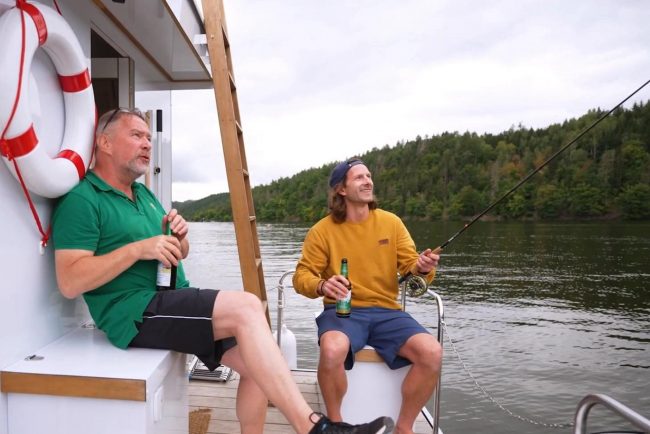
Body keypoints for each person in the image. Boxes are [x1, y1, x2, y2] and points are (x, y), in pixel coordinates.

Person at [51, 109, 394, 434]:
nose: (147, 143)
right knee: (247, 306)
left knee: (259, 363)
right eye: (136, 135)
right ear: (105, 143)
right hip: (133, 313)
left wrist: (180, 240)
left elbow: (172, 252)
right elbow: (70, 281)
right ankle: (315, 427)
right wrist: (137, 249)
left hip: (169, 299)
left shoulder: (143, 195)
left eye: (148, 138)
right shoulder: (83, 199)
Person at [293, 158, 442, 434]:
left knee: (432, 352)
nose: (368, 181)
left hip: (388, 312)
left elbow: (413, 270)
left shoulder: (391, 223)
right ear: (341, 189)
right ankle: (336, 426)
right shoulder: (322, 230)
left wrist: (422, 268)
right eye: (359, 177)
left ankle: (404, 428)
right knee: (332, 349)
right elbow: (301, 277)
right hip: (344, 312)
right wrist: (323, 285)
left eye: (369, 176)